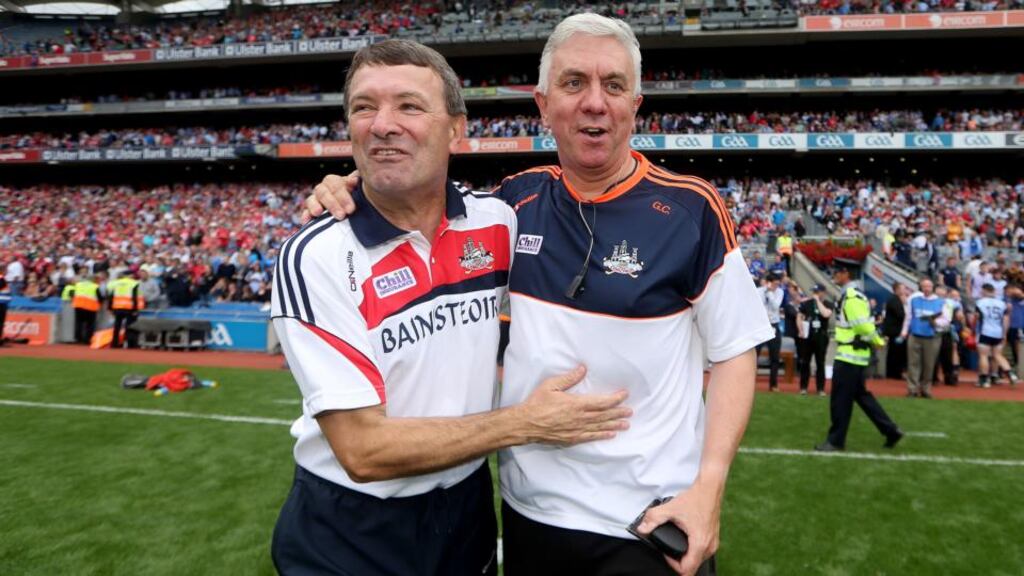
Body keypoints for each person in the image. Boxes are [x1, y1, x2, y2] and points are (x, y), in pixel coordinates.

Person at [306, 14, 774, 576]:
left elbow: (734, 351)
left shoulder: (691, 209)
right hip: (529, 517)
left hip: (649, 522)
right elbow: (420, 197)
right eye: (574, 83)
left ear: (636, 103)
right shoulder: (507, 209)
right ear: (543, 103)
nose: (594, 102)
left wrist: (710, 487)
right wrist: (346, 185)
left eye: (614, 85)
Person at [271, 39, 632, 576]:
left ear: (456, 129)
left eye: (409, 106)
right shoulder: (317, 254)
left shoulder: (499, 222)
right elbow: (364, 451)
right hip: (351, 530)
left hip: (465, 508)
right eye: (364, 107)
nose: (382, 124)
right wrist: (524, 423)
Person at [815, 258, 903, 452]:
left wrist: (878, 341)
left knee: (840, 400)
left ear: (846, 273)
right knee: (862, 397)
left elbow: (862, 325)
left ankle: (836, 441)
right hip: (854, 356)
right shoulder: (854, 295)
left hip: (848, 357)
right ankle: (890, 430)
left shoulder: (851, 296)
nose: (834, 275)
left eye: (837, 271)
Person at [901, 278, 946, 398]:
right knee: (913, 363)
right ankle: (912, 389)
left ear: (933, 288)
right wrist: (904, 332)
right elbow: (909, 316)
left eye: (929, 286)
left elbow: (945, 320)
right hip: (915, 334)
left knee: (929, 364)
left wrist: (935, 322)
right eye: (924, 286)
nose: (926, 289)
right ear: (921, 287)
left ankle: (926, 389)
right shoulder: (914, 300)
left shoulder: (940, 302)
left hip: (932, 336)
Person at [974, 283, 1018, 388]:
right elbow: (1006, 319)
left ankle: (984, 380)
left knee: (983, 355)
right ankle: (1010, 373)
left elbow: (977, 317)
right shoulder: (1002, 303)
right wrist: (1004, 334)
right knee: (997, 355)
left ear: (984, 291)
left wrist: (974, 328)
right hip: (998, 332)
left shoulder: (980, 302)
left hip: (985, 331)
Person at [797, 283, 832, 396]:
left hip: (821, 335)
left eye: (817, 292)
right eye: (814, 292)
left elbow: (825, 314)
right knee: (805, 362)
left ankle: (820, 388)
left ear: (823, 293)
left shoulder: (827, 303)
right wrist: (801, 330)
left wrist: (817, 301)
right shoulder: (806, 303)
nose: (815, 294)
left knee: (820, 362)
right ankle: (803, 387)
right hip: (808, 335)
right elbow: (799, 317)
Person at [757, 273, 785, 392]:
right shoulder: (758, 291)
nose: (776, 286)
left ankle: (773, 385)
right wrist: (765, 292)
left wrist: (770, 293)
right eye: (774, 284)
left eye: (778, 284)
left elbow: (775, 306)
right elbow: (756, 306)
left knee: (775, 357)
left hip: (774, 325)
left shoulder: (779, 292)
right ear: (768, 282)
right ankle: (748, 383)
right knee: (754, 355)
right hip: (760, 325)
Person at [881, 281, 908, 380]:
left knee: (897, 353)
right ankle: (893, 374)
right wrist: (905, 304)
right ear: (897, 289)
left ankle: (896, 372)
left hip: (896, 331)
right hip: (894, 331)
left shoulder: (896, 300)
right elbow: (901, 315)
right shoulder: (894, 300)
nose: (905, 290)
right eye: (903, 288)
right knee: (895, 353)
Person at [109, 272, 144, 348]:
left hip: (117, 307)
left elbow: (111, 296)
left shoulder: (116, 283)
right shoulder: (134, 283)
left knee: (117, 326)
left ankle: (114, 343)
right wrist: (135, 309)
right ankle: (130, 344)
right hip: (129, 308)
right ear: (130, 276)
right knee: (130, 326)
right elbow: (135, 297)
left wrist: (110, 308)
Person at [67, 274, 101, 345]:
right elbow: (100, 297)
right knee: (90, 324)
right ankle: (87, 339)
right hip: (90, 307)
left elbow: (71, 293)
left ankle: (78, 339)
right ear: (93, 280)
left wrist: (74, 299)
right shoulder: (95, 286)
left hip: (78, 306)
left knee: (78, 323)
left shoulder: (78, 284)